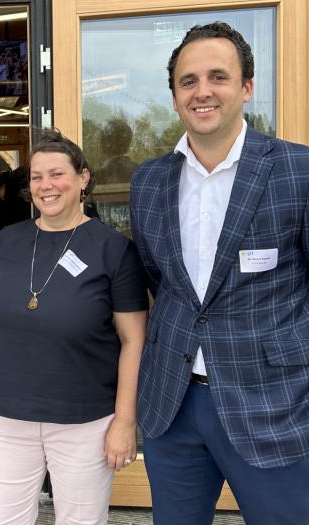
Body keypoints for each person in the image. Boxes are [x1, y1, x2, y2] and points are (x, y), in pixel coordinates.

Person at [130, 22, 309, 524]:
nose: (202, 91)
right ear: (174, 97)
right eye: (188, 82)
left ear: (246, 88)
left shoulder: (298, 171)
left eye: (217, 77)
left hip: (274, 402)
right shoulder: (149, 180)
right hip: (174, 403)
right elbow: (159, 280)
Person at [0, 129, 148, 524]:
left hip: (84, 421)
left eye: (57, 174)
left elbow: (134, 340)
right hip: (9, 418)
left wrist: (124, 420)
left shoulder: (113, 249)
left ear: (83, 177)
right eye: (36, 177)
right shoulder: (7, 241)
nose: (45, 186)